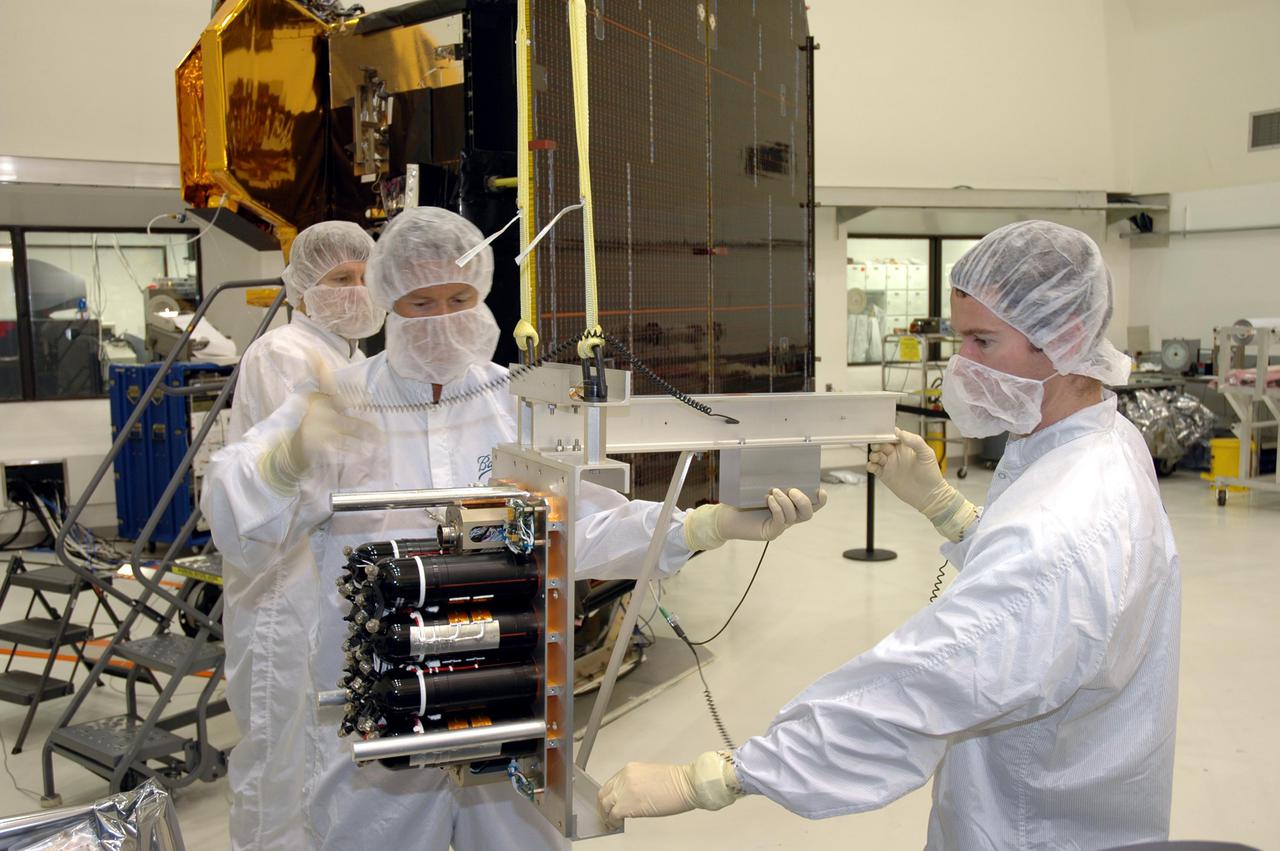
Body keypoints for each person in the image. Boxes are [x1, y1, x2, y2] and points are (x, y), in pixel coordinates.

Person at [201, 206, 825, 850]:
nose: (443, 316)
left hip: (508, 689)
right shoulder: (336, 402)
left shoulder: (517, 401)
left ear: (483, 295)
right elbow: (231, 516)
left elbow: (583, 526)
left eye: (459, 297)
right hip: (376, 708)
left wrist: (702, 526)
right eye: (421, 301)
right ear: (387, 302)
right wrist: (285, 460)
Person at [598, 220, 1181, 849]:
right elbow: (1036, 592)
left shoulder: (1068, 524)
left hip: (1035, 823)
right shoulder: (1097, 439)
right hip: (1064, 789)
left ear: (1066, 339)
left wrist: (713, 778)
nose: (963, 364)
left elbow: (923, 686)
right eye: (962, 340)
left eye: (984, 341)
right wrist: (949, 513)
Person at [216, 220, 383, 851]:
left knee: (325, 746)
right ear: (302, 287)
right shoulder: (284, 352)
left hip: (330, 580)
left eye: (365, 277)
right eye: (340, 278)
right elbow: (305, 482)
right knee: (276, 753)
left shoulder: (354, 356)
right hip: (283, 586)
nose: (356, 291)